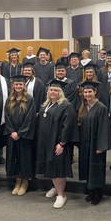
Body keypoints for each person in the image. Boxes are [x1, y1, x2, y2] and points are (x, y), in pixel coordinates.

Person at [36, 79, 78, 209]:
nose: (52, 92)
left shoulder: (66, 106)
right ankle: (55, 187)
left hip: (58, 143)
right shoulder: (45, 105)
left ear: (61, 92)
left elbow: (68, 126)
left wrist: (62, 143)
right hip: (46, 142)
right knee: (50, 165)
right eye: (51, 90)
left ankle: (61, 195)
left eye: (56, 90)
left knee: (58, 168)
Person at [4, 75, 36, 196]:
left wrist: (20, 133)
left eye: (20, 84)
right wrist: (12, 131)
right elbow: (6, 116)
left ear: (24, 86)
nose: (18, 86)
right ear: (13, 86)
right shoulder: (10, 99)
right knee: (14, 157)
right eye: (16, 84)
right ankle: (17, 181)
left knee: (25, 158)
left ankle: (25, 182)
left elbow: (30, 118)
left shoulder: (29, 99)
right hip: (12, 135)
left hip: (24, 135)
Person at [78, 81, 109, 205]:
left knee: (96, 167)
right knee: (87, 166)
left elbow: (104, 127)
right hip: (85, 143)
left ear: (95, 92)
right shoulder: (83, 107)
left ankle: (98, 193)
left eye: (90, 91)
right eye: (85, 92)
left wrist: (101, 146)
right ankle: (90, 190)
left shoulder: (101, 107)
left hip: (96, 144)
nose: (87, 94)